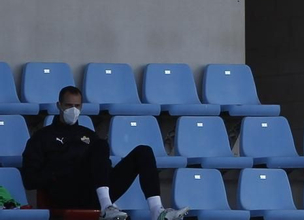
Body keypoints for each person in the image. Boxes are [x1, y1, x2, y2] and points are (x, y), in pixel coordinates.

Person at [21, 85, 186, 220]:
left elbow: (103, 168)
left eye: (77, 106)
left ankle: (157, 210)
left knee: (143, 151)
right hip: (65, 192)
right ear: (59, 105)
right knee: (99, 146)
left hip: (94, 191)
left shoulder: (89, 135)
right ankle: (106, 207)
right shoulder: (43, 137)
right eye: (68, 106)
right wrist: (56, 173)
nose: (73, 110)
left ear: (82, 107)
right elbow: (29, 180)